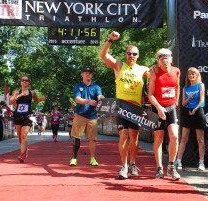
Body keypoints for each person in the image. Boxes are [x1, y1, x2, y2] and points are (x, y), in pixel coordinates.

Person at [99, 31, 149, 179]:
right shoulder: (119, 66)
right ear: (125, 54)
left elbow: (155, 74)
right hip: (121, 107)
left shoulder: (142, 69)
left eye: (134, 53)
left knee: (134, 138)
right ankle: (124, 166)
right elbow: (103, 56)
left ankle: (133, 163)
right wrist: (110, 40)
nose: (131, 55)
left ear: (138, 55)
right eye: (129, 53)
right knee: (123, 136)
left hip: (136, 108)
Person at [148, 48, 181, 180]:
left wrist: (177, 100)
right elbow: (150, 94)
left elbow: (177, 87)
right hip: (157, 108)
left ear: (171, 59)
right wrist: (159, 107)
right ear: (158, 61)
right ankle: (159, 167)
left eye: (167, 57)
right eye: (161, 58)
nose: (165, 60)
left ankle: (171, 166)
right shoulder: (154, 72)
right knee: (159, 137)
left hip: (171, 107)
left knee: (174, 136)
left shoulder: (176, 71)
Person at [69, 67, 104, 166]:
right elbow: (77, 99)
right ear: (82, 74)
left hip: (92, 116)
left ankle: (92, 158)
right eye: (86, 73)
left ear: (92, 75)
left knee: (93, 139)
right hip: (80, 114)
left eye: (89, 73)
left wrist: (102, 99)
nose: (88, 74)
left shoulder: (96, 87)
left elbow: (99, 96)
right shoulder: (78, 85)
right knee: (76, 138)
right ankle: (74, 158)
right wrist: (88, 101)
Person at [175, 67, 206, 171]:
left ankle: (201, 162)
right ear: (187, 76)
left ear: (197, 75)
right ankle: (178, 161)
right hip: (187, 113)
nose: (191, 76)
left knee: (200, 139)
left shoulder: (200, 85)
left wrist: (195, 109)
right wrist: (189, 98)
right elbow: (183, 103)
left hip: (198, 112)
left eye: (193, 74)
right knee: (183, 138)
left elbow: (202, 100)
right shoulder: (185, 88)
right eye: (189, 74)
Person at [9, 75, 45, 163]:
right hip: (17, 116)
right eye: (23, 80)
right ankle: (25, 150)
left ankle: (22, 155)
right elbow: (10, 101)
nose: (25, 82)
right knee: (19, 137)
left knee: (24, 135)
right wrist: (20, 95)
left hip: (27, 116)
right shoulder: (17, 92)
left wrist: (42, 99)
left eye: (27, 80)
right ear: (20, 82)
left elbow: (36, 100)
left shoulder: (32, 92)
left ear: (29, 82)